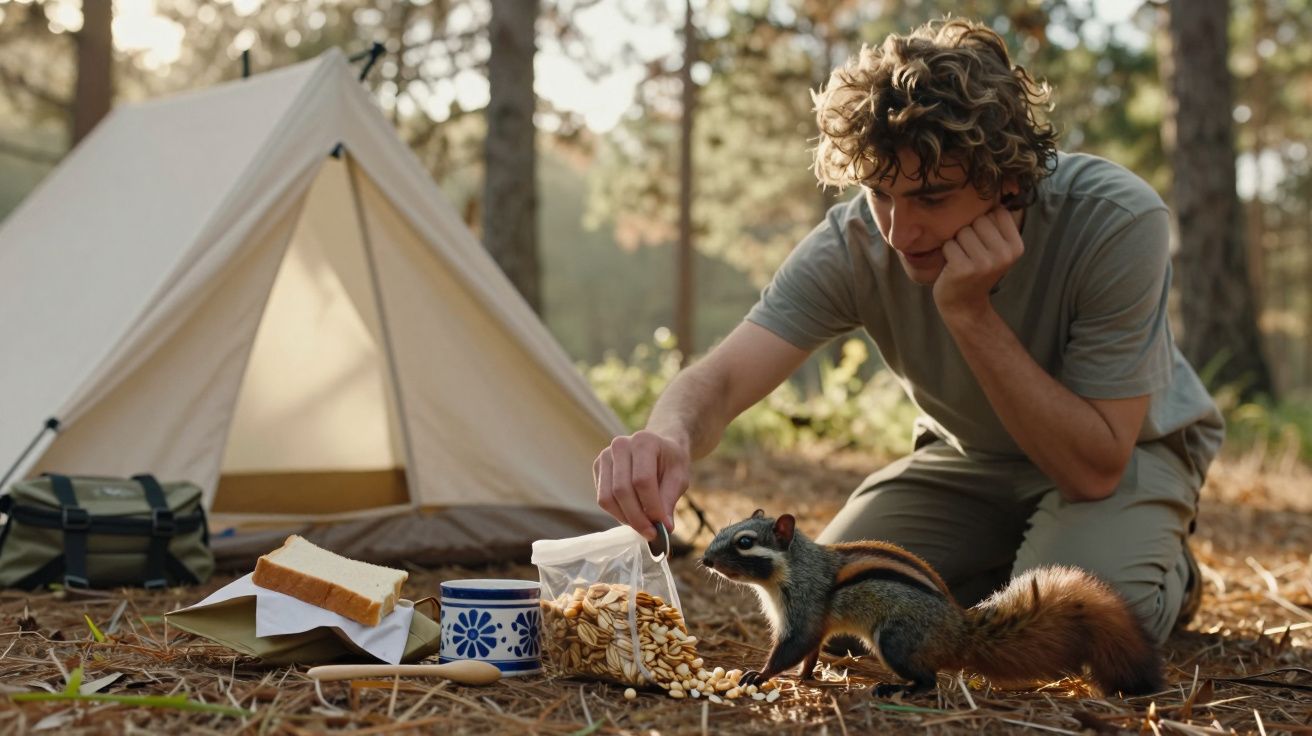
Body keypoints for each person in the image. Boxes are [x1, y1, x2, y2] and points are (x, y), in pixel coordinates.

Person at [592, 17, 1223, 644]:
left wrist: (971, 314)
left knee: (1058, 631)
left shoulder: (1114, 220)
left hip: (1121, 457)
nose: (899, 232)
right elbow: (724, 378)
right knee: (828, 611)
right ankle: (1018, 561)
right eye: (879, 193)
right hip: (968, 461)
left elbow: (1094, 470)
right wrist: (667, 435)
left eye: (932, 198)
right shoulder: (856, 243)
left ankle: (1165, 568)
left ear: (1008, 182)